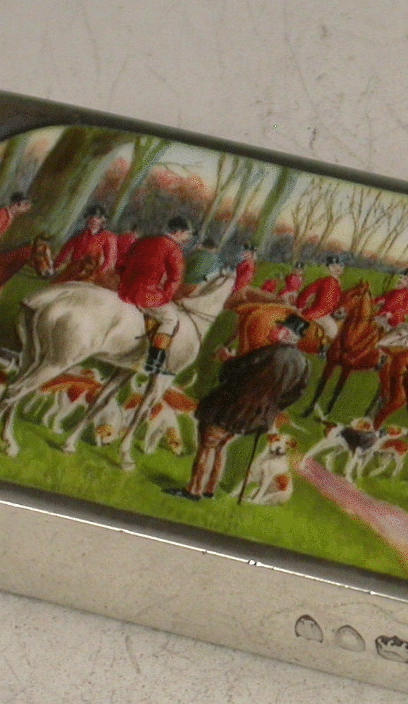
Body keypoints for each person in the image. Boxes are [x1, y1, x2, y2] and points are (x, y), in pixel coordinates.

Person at [168, 315, 312, 500]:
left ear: (286, 333)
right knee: (220, 446)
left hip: (232, 409)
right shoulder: (304, 364)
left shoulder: (267, 353)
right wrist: (271, 408)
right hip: (256, 416)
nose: (272, 329)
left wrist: (227, 359)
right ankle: (210, 489)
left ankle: (194, 490)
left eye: (278, 328)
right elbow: (296, 394)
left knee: (207, 445)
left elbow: (233, 373)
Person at [117, 215, 193, 375]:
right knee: (171, 319)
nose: (188, 237)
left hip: (125, 290)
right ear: (178, 232)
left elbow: (121, 264)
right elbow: (175, 278)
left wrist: (126, 281)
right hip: (147, 296)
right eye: (187, 233)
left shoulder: (144, 241)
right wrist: (165, 297)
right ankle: (154, 362)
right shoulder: (174, 249)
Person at [53, 204, 118, 282]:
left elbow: (110, 260)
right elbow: (65, 251)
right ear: (87, 219)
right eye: (91, 217)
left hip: (92, 273)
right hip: (73, 270)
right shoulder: (79, 233)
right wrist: (56, 265)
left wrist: (97, 274)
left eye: (98, 218)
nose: (94, 220)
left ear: (103, 220)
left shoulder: (109, 237)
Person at [295, 255, 346, 344]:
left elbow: (335, 301)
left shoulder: (338, 283)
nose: (337, 268)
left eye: (340, 266)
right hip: (319, 313)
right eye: (333, 266)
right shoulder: (324, 281)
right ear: (329, 268)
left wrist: (338, 309)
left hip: (329, 313)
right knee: (332, 329)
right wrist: (300, 306)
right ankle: (323, 349)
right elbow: (307, 292)